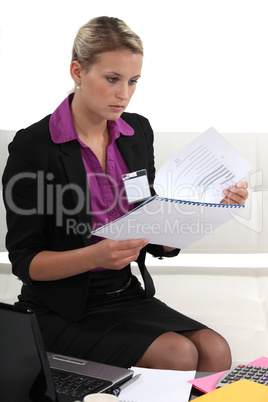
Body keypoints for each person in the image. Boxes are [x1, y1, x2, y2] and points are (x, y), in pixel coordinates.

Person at [2, 16, 248, 372]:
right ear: (77, 71)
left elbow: (147, 226)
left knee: (215, 350)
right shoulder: (34, 147)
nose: (124, 94)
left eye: (133, 81)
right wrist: (94, 255)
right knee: (179, 354)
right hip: (61, 306)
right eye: (112, 79)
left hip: (123, 292)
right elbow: (25, 262)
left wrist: (205, 208)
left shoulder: (137, 133)